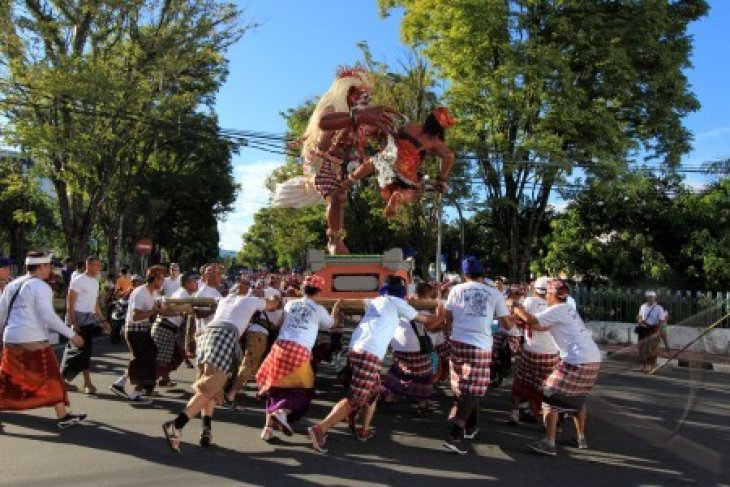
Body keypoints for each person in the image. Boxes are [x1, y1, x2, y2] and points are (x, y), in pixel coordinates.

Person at [307, 275, 443, 453]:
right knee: (356, 398)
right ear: (401, 292)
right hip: (370, 352)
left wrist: (339, 304)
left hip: (357, 348)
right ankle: (320, 429)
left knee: (374, 392)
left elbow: (353, 307)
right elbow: (428, 321)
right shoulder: (396, 302)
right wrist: (441, 310)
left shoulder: (374, 301)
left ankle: (363, 429)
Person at [274, 65, 398, 254]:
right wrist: (357, 116)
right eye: (358, 93)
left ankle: (337, 240)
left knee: (340, 199)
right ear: (346, 93)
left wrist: (386, 139)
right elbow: (324, 123)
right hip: (321, 161)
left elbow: (380, 133)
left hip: (344, 167)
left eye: (366, 95)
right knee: (335, 197)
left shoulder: (363, 118)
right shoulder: (334, 109)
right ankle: (333, 241)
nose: (364, 98)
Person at [161, 285, 280, 452]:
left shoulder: (225, 299)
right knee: (210, 386)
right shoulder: (252, 300)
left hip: (207, 335)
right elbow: (273, 305)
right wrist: (277, 299)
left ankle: (206, 430)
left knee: (210, 386)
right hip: (224, 336)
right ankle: (176, 425)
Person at [512, 279, 602, 456]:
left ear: (552, 295)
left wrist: (516, 306)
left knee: (549, 395)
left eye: (547, 293)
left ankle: (549, 443)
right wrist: (528, 321)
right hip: (592, 358)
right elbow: (540, 326)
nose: (546, 296)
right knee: (578, 399)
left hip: (577, 360)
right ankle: (580, 439)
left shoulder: (556, 309)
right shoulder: (568, 309)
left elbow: (531, 319)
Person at [0, 251, 87, 429]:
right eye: (49, 266)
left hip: (10, 338)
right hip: (33, 339)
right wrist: (72, 335)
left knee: (8, 380)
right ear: (42, 266)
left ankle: (63, 416)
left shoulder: (12, 285)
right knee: (52, 377)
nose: (51, 269)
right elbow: (48, 316)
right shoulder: (40, 286)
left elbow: (2, 314)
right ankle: (62, 417)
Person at [439, 256, 511, 455]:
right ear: (483, 273)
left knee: (463, 387)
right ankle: (455, 434)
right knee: (474, 389)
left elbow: (448, 319)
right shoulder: (494, 292)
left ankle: (471, 427)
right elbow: (506, 324)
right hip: (479, 345)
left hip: (457, 342)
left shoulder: (456, 290)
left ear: (464, 274)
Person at [256, 275, 340, 441]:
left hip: (280, 348)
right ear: (319, 292)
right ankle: (282, 412)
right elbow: (331, 324)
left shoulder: (291, 303)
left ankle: (268, 429)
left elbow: (280, 323)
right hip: (300, 351)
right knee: (304, 390)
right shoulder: (318, 309)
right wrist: (336, 311)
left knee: (275, 388)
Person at [342, 107, 456, 218]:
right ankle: (399, 195)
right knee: (415, 191)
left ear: (429, 118)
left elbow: (395, 133)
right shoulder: (435, 142)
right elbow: (449, 156)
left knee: (373, 161)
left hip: (391, 155)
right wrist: (441, 179)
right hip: (407, 166)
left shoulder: (410, 125)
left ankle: (347, 182)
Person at [381, 282, 440, 415]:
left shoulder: (391, 303)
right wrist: (441, 315)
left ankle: (390, 396)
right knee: (425, 374)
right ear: (428, 293)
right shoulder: (422, 306)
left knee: (398, 370)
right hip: (414, 346)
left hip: (397, 344)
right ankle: (422, 403)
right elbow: (431, 325)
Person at [109, 265, 166, 403]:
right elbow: (136, 315)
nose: (163, 282)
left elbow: (161, 310)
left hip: (142, 330)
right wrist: (154, 311)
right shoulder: (141, 292)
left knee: (144, 359)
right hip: (135, 331)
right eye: (161, 279)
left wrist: (181, 310)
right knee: (146, 360)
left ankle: (121, 383)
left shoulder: (153, 293)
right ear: (154, 279)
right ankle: (135, 393)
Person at [223, 278, 284, 407]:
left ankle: (240, 390)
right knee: (249, 363)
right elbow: (274, 312)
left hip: (251, 331)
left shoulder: (259, 294)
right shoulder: (271, 293)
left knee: (251, 363)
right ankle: (231, 394)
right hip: (258, 333)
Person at [509, 276, 560, 425]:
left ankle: (515, 412)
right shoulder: (556, 307)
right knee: (547, 388)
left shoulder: (529, 302)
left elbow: (517, 319)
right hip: (551, 354)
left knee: (520, 382)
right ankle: (545, 420)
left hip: (530, 351)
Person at [60, 256, 111, 394]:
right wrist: (73, 323)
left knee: (85, 352)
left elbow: (95, 305)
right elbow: (70, 304)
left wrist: (103, 321)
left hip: (88, 319)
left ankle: (82, 382)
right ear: (87, 266)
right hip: (77, 317)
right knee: (77, 351)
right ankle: (65, 380)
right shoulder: (78, 281)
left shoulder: (95, 282)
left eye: (100, 265)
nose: (98, 268)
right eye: (95, 265)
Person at [152, 271, 199, 387]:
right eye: (195, 281)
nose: (197, 283)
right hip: (165, 327)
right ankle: (146, 385)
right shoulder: (182, 295)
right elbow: (169, 310)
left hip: (169, 329)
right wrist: (183, 311)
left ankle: (164, 378)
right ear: (187, 283)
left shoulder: (185, 294)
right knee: (162, 360)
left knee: (174, 356)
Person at [636, 290, 667, 373]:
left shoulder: (659, 308)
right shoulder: (643, 306)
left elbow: (661, 320)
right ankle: (645, 365)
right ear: (646, 298)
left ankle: (651, 365)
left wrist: (660, 331)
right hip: (644, 329)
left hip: (654, 329)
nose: (651, 299)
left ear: (655, 298)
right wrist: (639, 321)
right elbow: (639, 316)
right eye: (649, 297)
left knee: (652, 348)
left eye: (652, 297)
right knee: (642, 348)